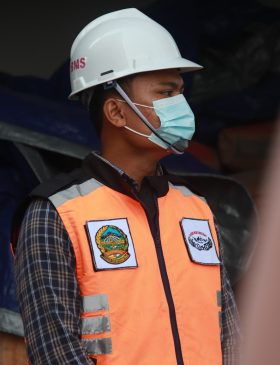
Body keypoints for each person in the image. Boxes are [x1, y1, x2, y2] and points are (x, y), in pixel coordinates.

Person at [14, 8, 240, 365]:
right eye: (166, 92)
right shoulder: (57, 213)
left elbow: (229, 335)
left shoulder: (195, 207)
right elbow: (54, 350)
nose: (179, 106)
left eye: (180, 92)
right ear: (117, 112)